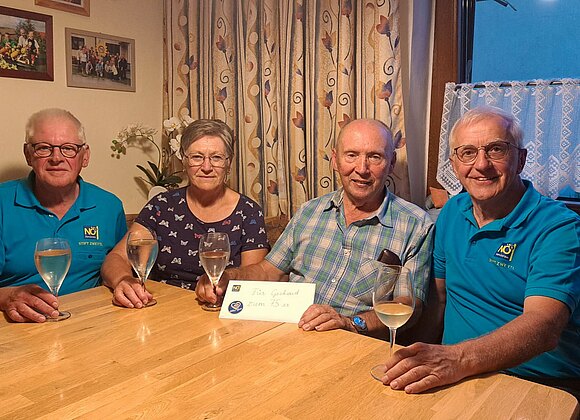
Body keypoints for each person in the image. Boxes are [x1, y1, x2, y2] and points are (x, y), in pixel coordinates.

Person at [381, 106, 580, 397]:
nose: (481, 164)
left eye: (496, 149)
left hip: (538, 384)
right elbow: (439, 299)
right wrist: (415, 358)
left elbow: (544, 327)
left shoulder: (558, 227)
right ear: (454, 164)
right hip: (455, 377)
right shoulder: (452, 212)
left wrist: (456, 359)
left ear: (521, 159)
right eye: (468, 152)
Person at [196, 119, 434, 338]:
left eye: (375, 157)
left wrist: (350, 323)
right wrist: (229, 278)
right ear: (335, 160)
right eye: (351, 155)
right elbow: (268, 271)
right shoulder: (310, 211)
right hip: (289, 336)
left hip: (352, 344)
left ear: (391, 163)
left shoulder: (416, 225)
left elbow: (408, 307)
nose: (362, 168)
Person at [101, 119, 270, 308]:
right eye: (197, 157)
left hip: (221, 310)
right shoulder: (162, 206)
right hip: (164, 307)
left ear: (228, 163)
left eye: (216, 158)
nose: (206, 167)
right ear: (184, 160)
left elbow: (253, 279)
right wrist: (123, 279)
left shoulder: (248, 212)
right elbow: (116, 258)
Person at [0, 108, 127, 323]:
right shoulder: (3, 203)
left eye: (68, 148)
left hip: (93, 323)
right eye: (43, 148)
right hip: (19, 326)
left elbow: (119, 263)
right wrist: (6, 297)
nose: (56, 158)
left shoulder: (109, 206)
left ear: (85, 156)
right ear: (28, 154)